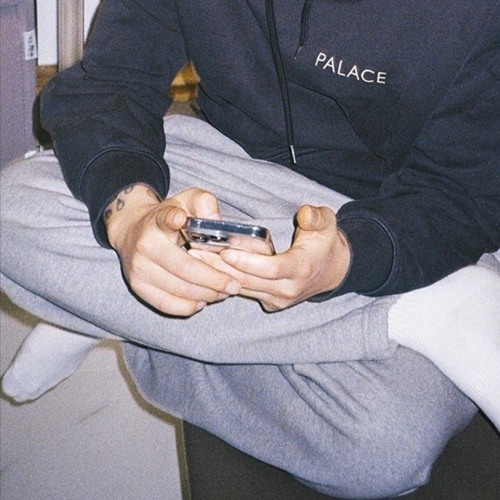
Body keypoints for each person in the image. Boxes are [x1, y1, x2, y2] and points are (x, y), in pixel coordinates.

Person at [1, 0, 499, 498]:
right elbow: (109, 84)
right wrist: (130, 221)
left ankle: (113, 309)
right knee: (10, 210)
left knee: (382, 446)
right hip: (228, 173)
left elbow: (465, 191)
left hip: (400, 216)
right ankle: (421, 310)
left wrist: (355, 255)